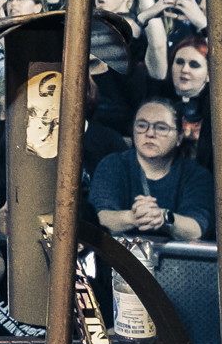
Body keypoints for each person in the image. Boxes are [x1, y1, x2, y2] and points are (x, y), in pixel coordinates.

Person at [89, 97, 215, 240]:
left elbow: (197, 228)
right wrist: (134, 217)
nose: (149, 133)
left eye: (161, 128)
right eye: (142, 126)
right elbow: (99, 217)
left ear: (179, 137)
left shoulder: (197, 175)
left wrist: (163, 218)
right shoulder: (113, 164)